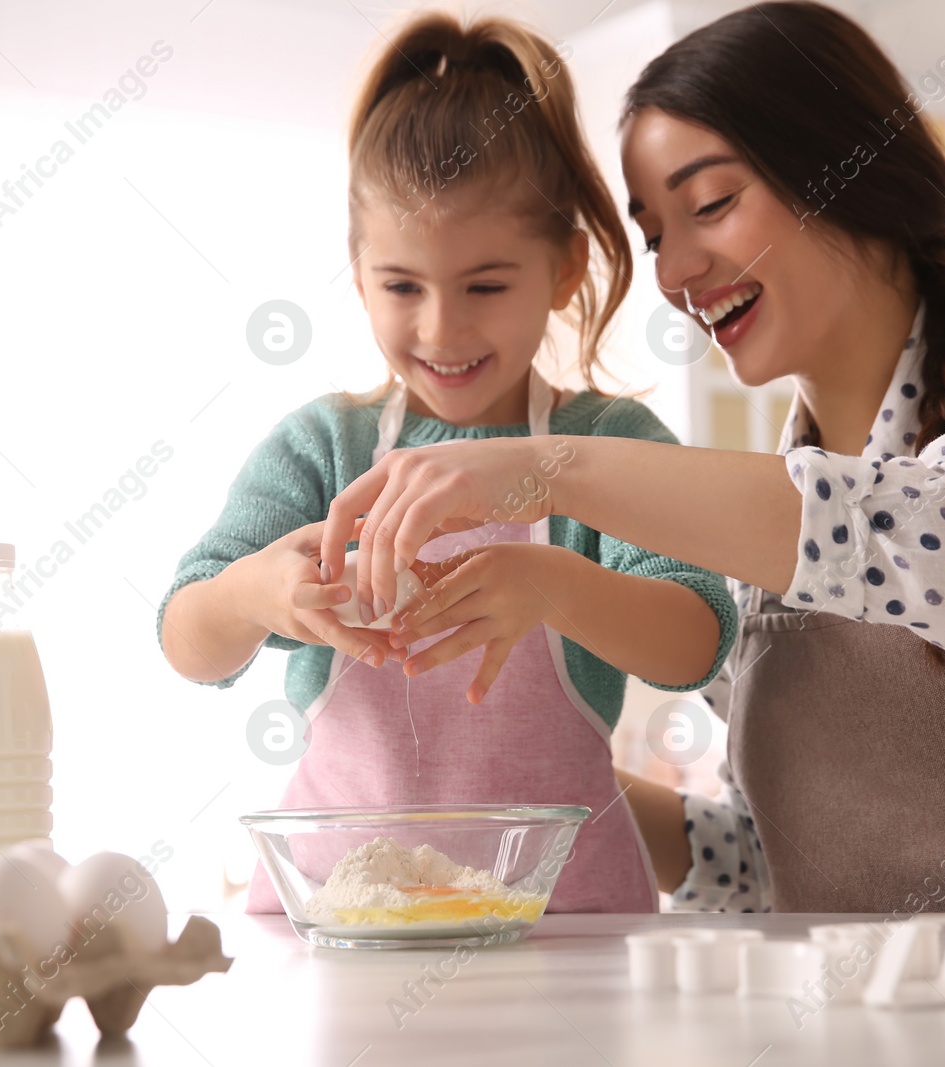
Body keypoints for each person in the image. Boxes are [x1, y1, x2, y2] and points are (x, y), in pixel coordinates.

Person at [320, 1, 945, 914]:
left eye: (711, 204)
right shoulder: (758, 538)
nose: (675, 272)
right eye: (653, 235)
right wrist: (526, 796)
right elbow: (777, 865)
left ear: (848, 167)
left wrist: (548, 467)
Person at [157, 12, 737, 914]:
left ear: (566, 270)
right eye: (402, 286)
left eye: (486, 285)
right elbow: (187, 638)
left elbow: (696, 635)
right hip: (336, 928)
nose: (441, 329)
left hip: (565, 938)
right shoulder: (323, 448)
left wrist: (552, 585)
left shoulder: (606, 442)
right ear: (359, 277)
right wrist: (255, 595)